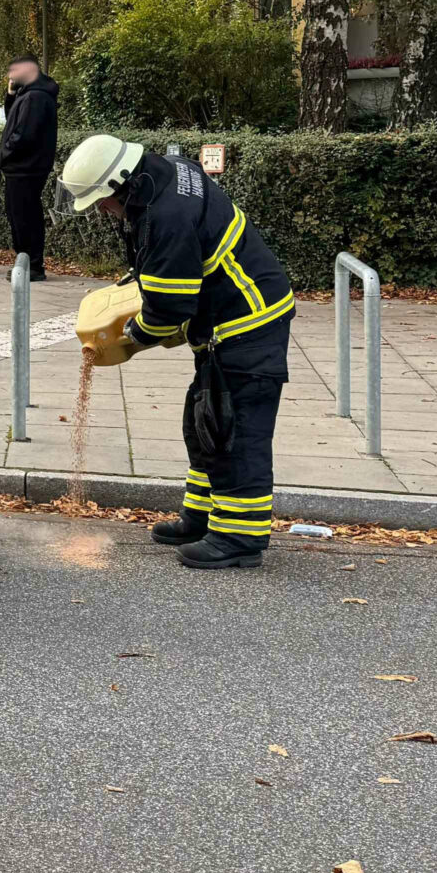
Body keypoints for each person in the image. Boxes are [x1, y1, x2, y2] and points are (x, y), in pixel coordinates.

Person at [59, 135, 294, 570]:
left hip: (247, 326)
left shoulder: (166, 216)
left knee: (233, 431)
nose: (101, 211)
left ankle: (238, 537)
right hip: (226, 325)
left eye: (101, 202)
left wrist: (131, 334)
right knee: (203, 421)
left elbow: (169, 308)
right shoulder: (165, 171)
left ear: (120, 184)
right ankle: (203, 516)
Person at [0, 55, 60, 280]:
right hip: (22, 166)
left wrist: (6, 152)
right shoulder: (29, 94)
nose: (11, 76)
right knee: (19, 215)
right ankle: (26, 262)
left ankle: (32, 265)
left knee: (24, 216)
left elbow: (24, 134)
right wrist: (11, 93)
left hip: (26, 166)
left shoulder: (36, 97)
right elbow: (12, 118)